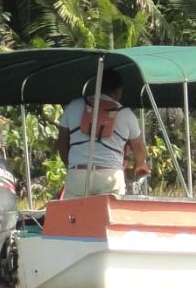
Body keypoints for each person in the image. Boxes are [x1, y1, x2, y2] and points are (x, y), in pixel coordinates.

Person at [57, 69, 148, 198]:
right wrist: (140, 164)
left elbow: (61, 144)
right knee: (111, 216)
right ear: (118, 91)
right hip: (110, 176)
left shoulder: (74, 106)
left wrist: (72, 166)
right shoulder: (126, 113)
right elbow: (139, 149)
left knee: (75, 216)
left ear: (97, 86)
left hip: (78, 173)